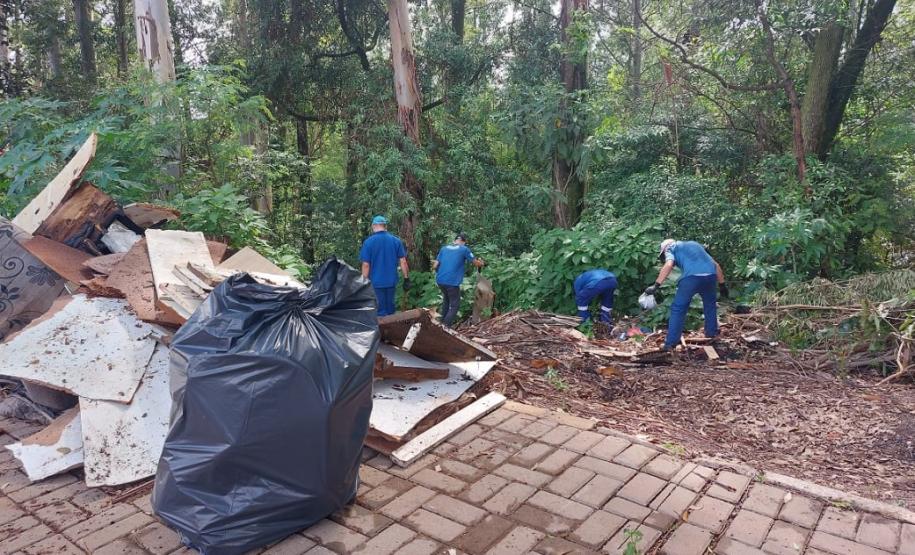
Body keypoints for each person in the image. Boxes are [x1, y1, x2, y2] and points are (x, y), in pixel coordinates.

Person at [644, 239, 728, 350]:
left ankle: (671, 343)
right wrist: (722, 285)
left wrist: (656, 285)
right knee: (710, 306)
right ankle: (711, 336)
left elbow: (669, 265)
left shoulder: (671, 248)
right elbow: (715, 265)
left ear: (664, 249)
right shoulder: (696, 245)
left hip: (691, 278)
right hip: (710, 277)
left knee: (678, 308)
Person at [360, 215, 410, 317]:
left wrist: (363, 281)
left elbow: (366, 265)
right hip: (391, 281)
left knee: (379, 311)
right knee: (390, 310)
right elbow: (403, 261)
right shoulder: (396, 241)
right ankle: (391, 329)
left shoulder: (368, 242)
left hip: (375, 283)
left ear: (373, 226)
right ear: (385, 226)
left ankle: (382, 331)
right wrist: (406, 278)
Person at [433, 232, 483, 326]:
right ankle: (445, 327)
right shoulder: (464, 249)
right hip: (452, 282)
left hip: (440, 280)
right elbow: (476, 263)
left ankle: (440, 323)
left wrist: (441, 274)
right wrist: (482, 264)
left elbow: (435, 265)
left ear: (454, 241)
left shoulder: (444, 248)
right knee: (455, 305)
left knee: (446, 301)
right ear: (464, 242)